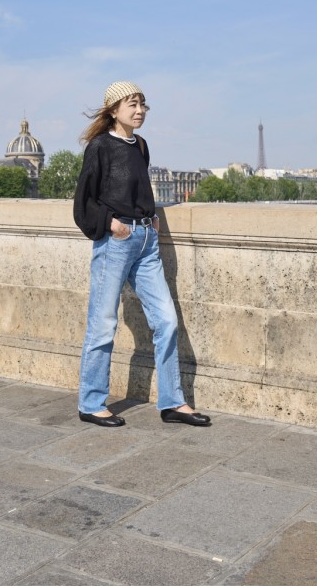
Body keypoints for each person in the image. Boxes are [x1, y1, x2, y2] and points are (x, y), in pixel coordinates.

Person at [73, 81, 211, 428]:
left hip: (147, 241)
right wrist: (111, 224)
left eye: (142, 104)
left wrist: (151, 218)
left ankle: (172, 402)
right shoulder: (100, 146)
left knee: (166, 321)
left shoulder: (141, 146)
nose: (139, 111)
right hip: (116, 242)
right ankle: (91, 403)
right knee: (103, 324)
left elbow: (137, 190)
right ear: (113, 110)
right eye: (132, 104)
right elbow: (83, 201)